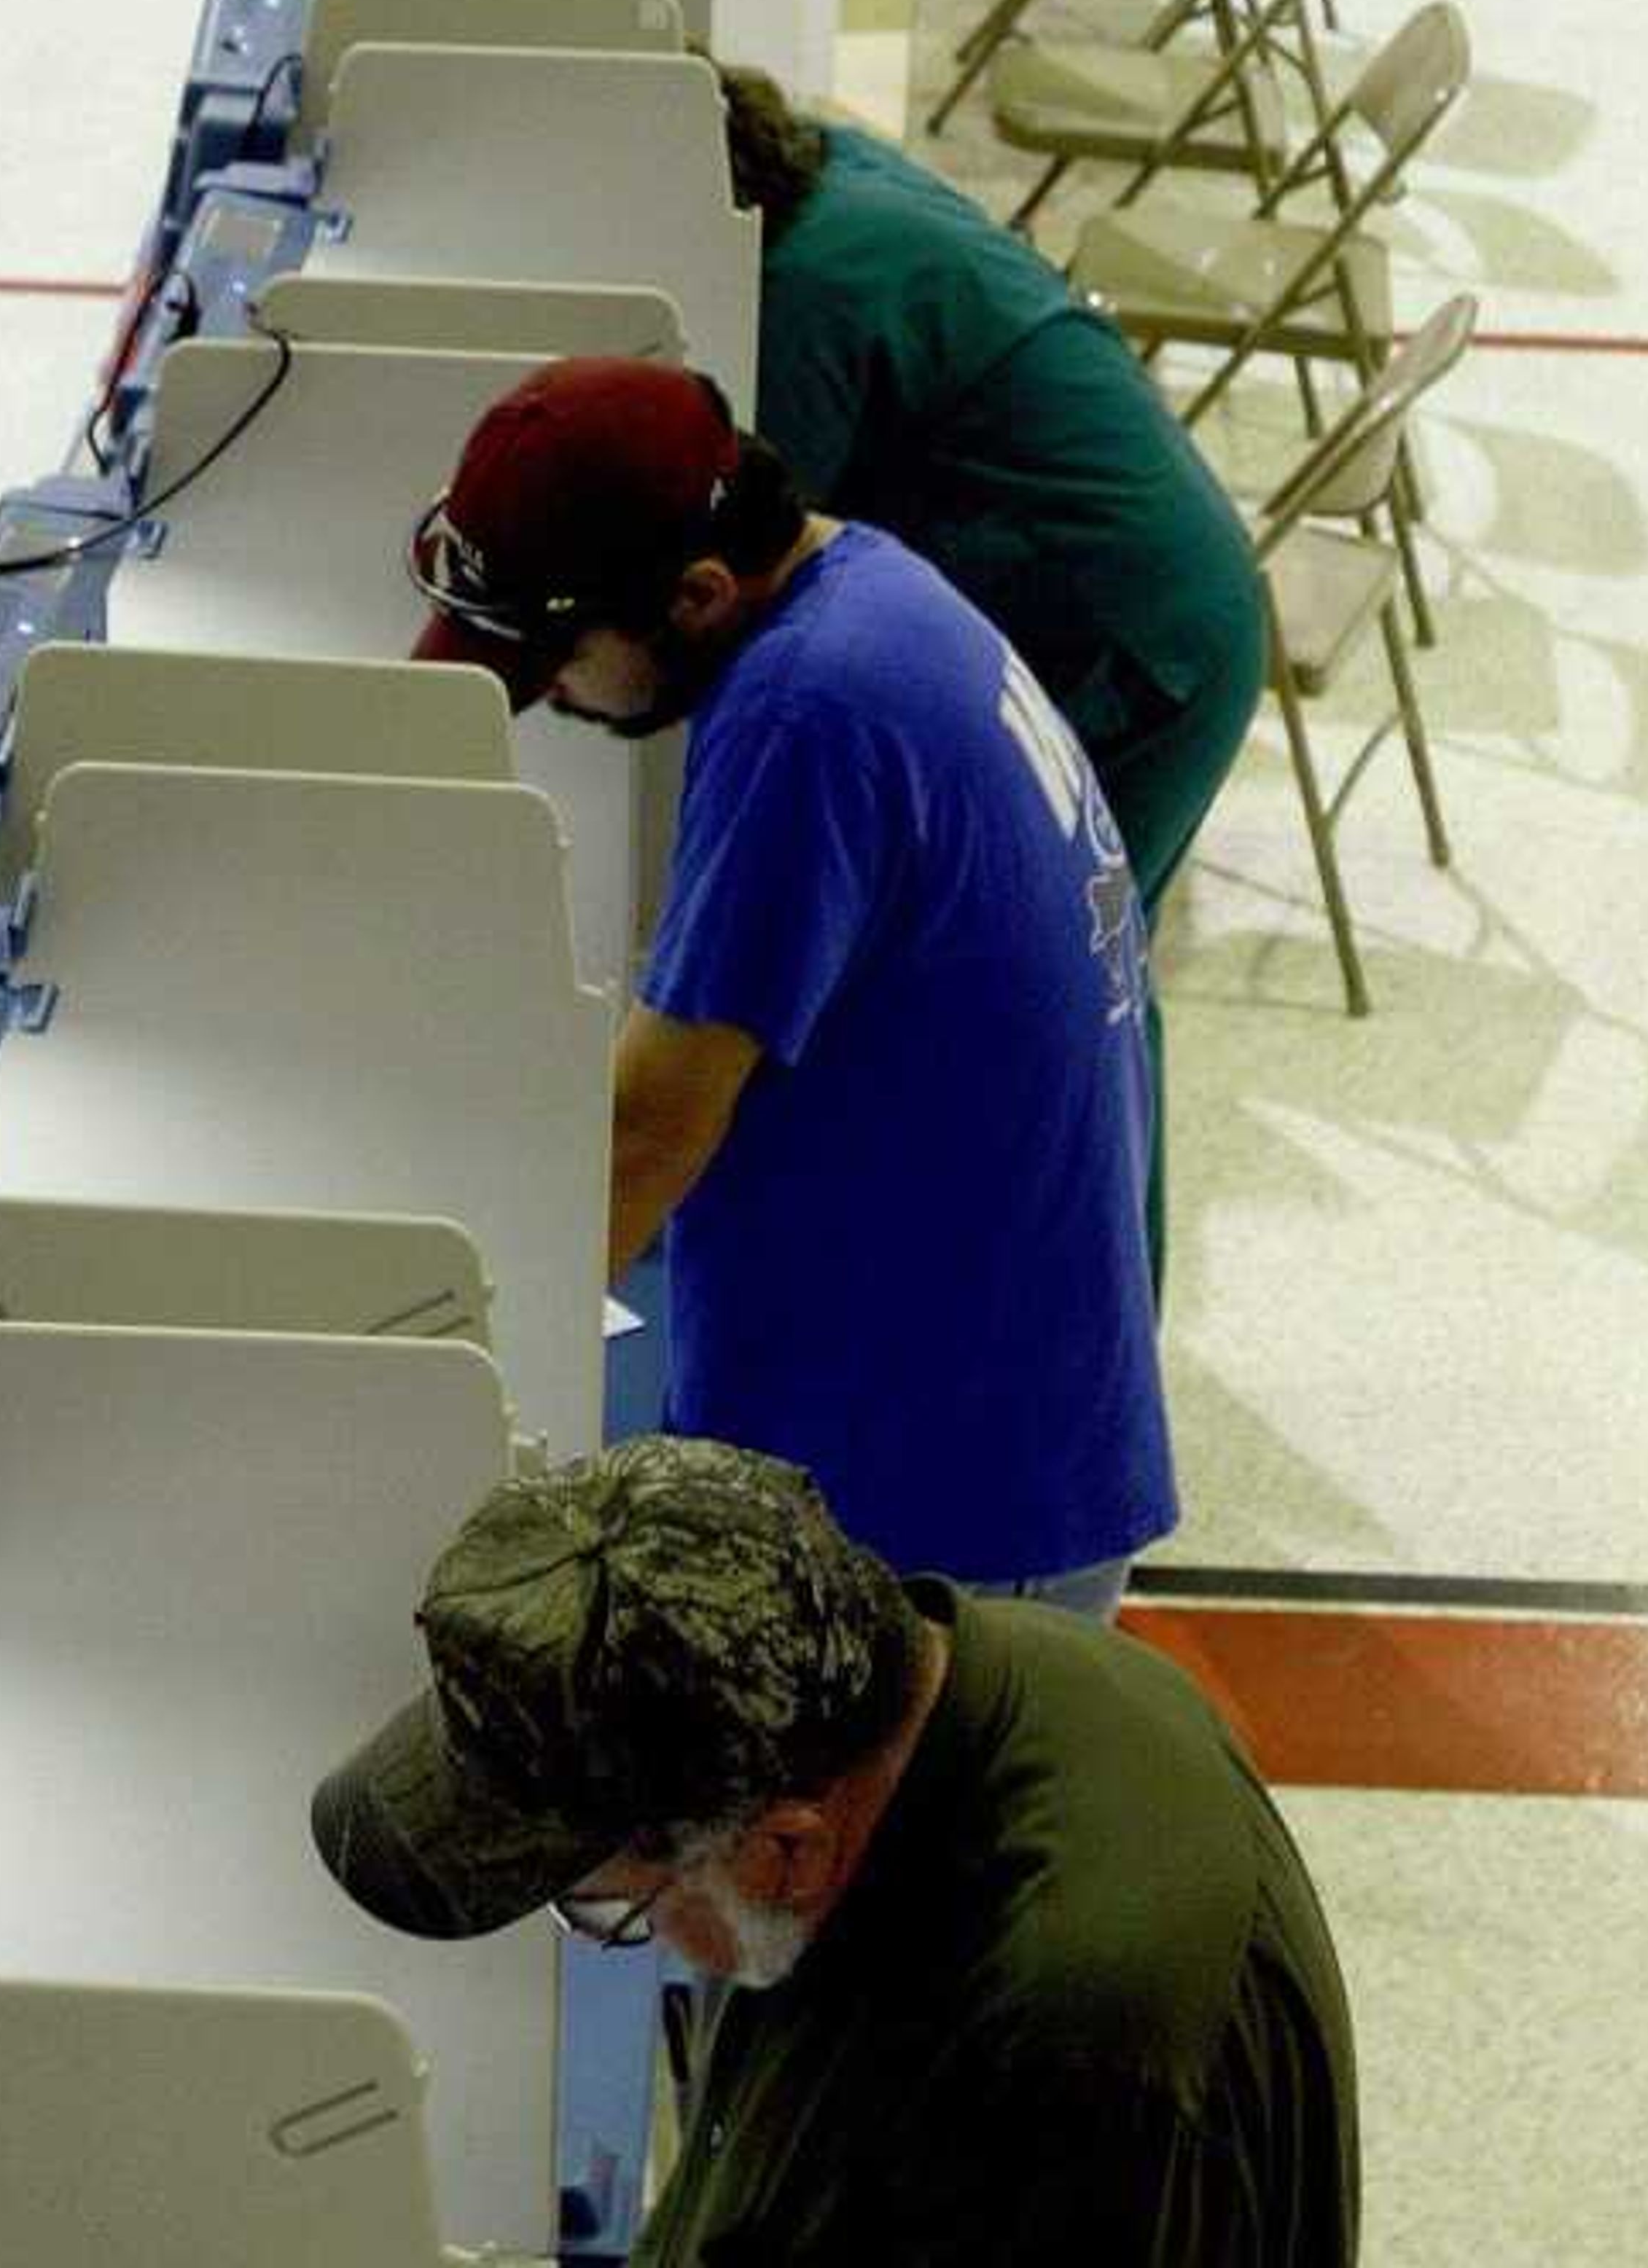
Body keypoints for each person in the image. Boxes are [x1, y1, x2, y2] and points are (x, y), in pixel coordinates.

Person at [407, 357, 1175, 1616]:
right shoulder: (872, 593)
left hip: (949, 1505)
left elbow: (652, 1128)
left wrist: (434, 1385)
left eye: (556, 655)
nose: (547, 691)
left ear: (698, 596)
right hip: (997, 1413)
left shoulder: (806, 713)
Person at [312, 1435, 1362, 2268]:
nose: (625, 1943)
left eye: (610, 1912)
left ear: (784, 1851)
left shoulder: (1070, 2055)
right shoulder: (963, 1675)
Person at [725, 66, 1264, 1283]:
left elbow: (749, 580)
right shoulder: (834, 169)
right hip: (1159, 595)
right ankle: (1093, 1283)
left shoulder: (799, 294)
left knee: (1067, 977)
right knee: (1083, 967)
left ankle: (1097, 1296)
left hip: (1134, 648)